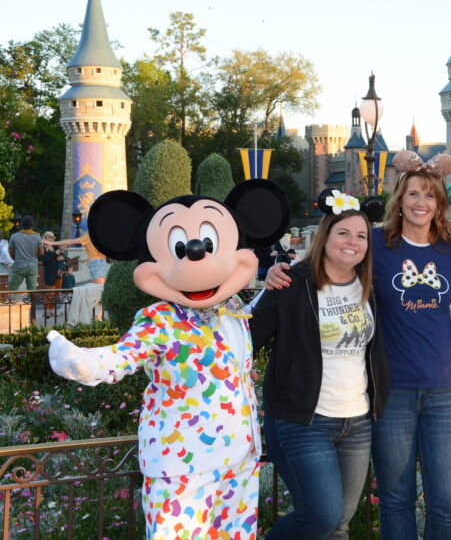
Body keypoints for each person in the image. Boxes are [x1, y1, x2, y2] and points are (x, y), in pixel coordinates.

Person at [46, 179, 289, 539]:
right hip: (182, 464)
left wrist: (267, 290)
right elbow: (123, 356)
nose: (199, 255)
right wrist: (84, 362)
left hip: (238, 458)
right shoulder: (159, 318)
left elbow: (241, 333)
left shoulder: (232, 307)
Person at [266, 151, 451, 539]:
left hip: (446, 388)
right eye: (412, 194)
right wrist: (281, 270)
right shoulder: (375, 243)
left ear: (440, 202)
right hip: (392, 392)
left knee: (446, 503)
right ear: (399, 199)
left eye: (429, 195)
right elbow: (330, 257)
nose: (420, 203)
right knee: (395, 497)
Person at [251, 190, 389, 539]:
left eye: (361, 236)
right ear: (325, 235)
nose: (352, 242)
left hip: (357, 421)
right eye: (343, 233)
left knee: (340, 522)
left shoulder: (368, 287)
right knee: (322, 516)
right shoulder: (291, 283)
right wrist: (263, 286)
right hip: (304, 421)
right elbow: (246, 339)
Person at [44, 231, 109, 284]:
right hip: (104, 261)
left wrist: (52, 243)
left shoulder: (89, 236)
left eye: (50, 238)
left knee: (98, 287)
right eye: (47, 238)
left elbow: (70, 241)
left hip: (96, 262)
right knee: (101, 286)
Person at [8, 216, 43, 290]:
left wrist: (17, 258)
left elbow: (11, 252)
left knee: (12, 288)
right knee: (32, 289)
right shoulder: (37, 237)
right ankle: (31, 300)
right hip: (32, 265)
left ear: (22, 225)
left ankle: (12, 300)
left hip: (19, 265)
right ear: (32, 226)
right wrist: (34, 256)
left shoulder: (14, 236)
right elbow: (41, 252)